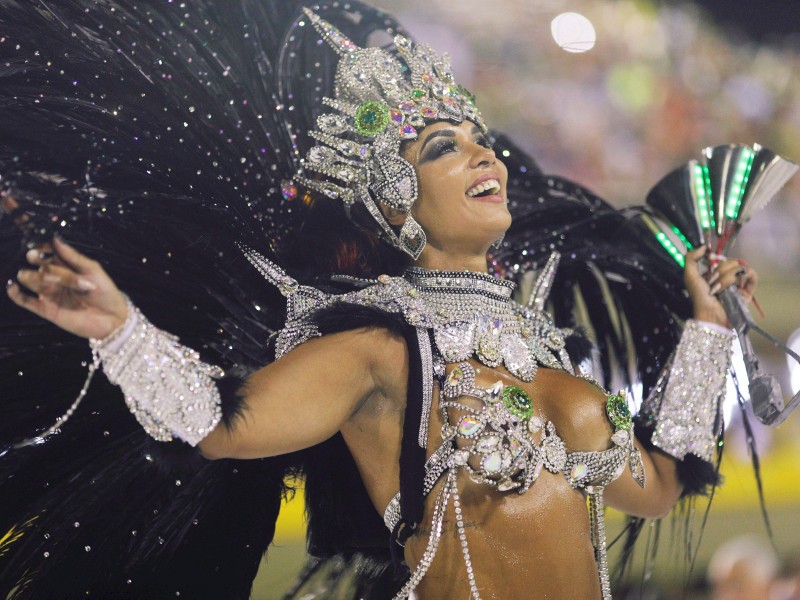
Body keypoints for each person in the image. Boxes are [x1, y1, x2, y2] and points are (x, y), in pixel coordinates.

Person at [0, 2, 760, 599]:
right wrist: (121, 329)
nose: (483, 151)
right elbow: (221, 426)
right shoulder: (384, 351)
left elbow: (657, 488)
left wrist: (709, 325)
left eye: (478, 136)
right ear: (395, 202)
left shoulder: (549, 347)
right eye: (443, 146)